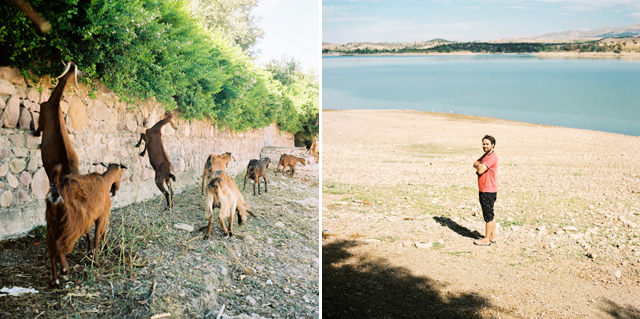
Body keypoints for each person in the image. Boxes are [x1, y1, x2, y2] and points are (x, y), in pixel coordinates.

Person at [473, 135, 498, 246]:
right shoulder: (485, 156)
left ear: (492, 145)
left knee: (488, 215)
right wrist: (479, 165)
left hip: (488, 190)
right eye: (483, 144)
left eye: (487, 144)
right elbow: (475, 163)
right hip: (486, 189)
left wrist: (480, 166)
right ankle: (491, 237)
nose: (485, 146)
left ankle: (486, 239)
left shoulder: (492, 157)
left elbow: (480, 170)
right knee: (490, 214)